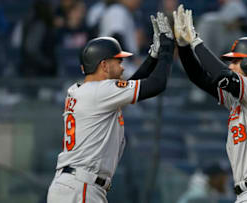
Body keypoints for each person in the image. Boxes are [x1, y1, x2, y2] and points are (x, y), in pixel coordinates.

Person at [47, 12, 174, 203]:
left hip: (73, 185)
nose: (122, 67)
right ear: (104, 65)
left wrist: (153, 56)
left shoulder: (80, 90)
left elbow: (130, 86)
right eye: (118, 61)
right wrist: (166, 50)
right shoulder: (101, 91)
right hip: (81, 187)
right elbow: (157, 84)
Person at [173, 5, 247, 202]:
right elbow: (200, 77)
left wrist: (197, 41)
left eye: (236, 61)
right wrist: (184, 46)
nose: (231, 65)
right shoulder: (244, 98)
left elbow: (222, 75)